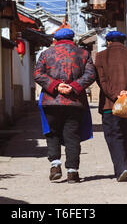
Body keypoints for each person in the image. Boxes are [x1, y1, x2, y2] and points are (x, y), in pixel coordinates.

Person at [34, 28, 96, 184]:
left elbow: (38, 74)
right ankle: (72, 172)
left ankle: (55, 166)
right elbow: (90, 74)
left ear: (55, 39)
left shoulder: (46, 53)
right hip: (74, 102)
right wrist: (73, 87)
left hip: (51, 101)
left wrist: (55, 86)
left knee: (52, 133)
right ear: (72, 38)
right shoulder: (83, 54)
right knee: (72, 135)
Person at [95, 30, 127, 182]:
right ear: (123, 41)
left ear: (108, 42)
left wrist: (115, 95)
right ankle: (122, 166)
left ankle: (122, 168)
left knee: (114, 136)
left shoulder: (101, 56)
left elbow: (101, 80)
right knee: (126, 136)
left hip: (109, 105)